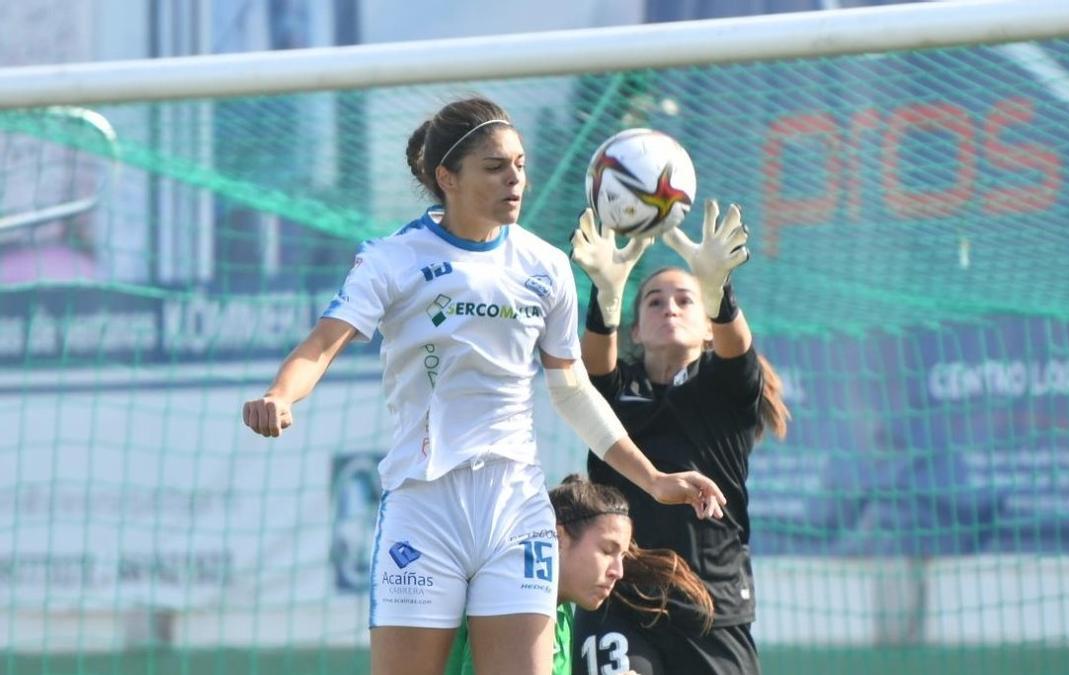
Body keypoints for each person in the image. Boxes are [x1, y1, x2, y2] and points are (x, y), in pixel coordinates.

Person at [241, 96, 726, 675]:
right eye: (495, 167)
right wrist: (280, 395)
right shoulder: (391, 259)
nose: (515, 179)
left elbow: (571, 391)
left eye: (520, 164)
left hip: (515, 506)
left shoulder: (544, 266)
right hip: (423, 507)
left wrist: (653, 479)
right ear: (447, 177)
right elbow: (321, 345)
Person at [569, 200, 791, 675]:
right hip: (619, 597)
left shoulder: (723, 389)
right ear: (636, 328)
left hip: (711, 606)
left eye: (685, 299)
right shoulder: (614, 389)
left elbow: (737, 351)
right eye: (654, 300)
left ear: (707, 328)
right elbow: (589, 373)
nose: (669, 306)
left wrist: (718, 288)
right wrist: (605, 295)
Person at [444, 474, 714, 675]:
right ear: (558, 537)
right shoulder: (514, 598)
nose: (617, 571)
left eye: (621, 557)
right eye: (608, 550)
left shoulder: (558, 611)